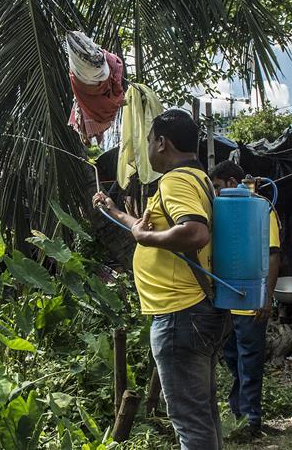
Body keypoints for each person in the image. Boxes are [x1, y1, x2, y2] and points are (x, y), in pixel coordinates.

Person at [93, 109, 229, 450]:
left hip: (180, 315)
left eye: (150, 140)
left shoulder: (175, 181)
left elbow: (193, 232)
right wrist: (113, 211)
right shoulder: (198, 179)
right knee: (202, 412)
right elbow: (149, 228)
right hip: (197, 311)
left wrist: (146, 240)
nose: (149, 148)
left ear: (162, 142)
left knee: (190, 422)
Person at [209, 160, 281, 440]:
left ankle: (251, 420)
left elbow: (273, 254)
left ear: (231, 182)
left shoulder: (261, 208)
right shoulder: (221, 210)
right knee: (233, 358)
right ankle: (240, 413)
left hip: (252, 298)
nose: (215, 193)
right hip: (227, 299)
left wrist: (266, 298)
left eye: (217, 186)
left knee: (249, 361)